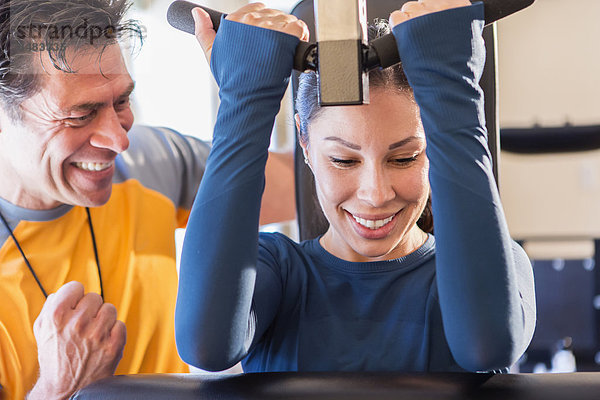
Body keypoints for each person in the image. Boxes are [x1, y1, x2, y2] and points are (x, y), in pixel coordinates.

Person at [175, 0, 536, 373]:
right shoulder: (275, 270)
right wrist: (244, 103)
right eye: (344, 160)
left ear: (436, 147)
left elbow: (485, 347)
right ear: (305, 142)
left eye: (405, 158)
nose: (376, 194)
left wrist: (452, 93)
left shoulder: (503, 266)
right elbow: (205, 346)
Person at [0, 0, 295, 399]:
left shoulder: (149, 161)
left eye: (121, 102)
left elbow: (310, 189)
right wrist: (57, 389)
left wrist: (252, 92)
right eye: (80, 115)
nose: (119, 140)